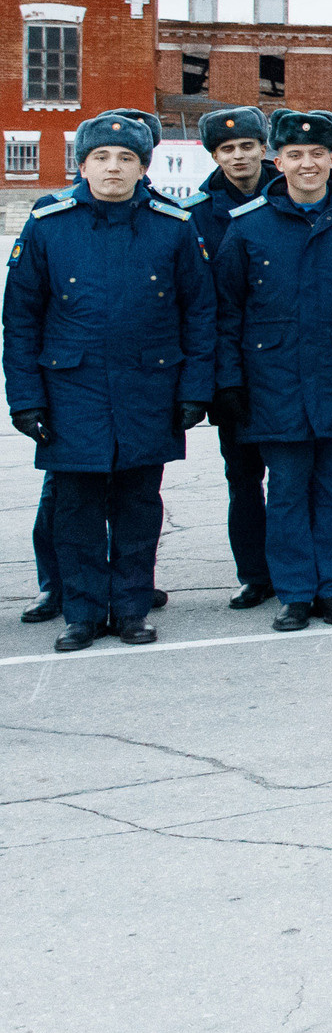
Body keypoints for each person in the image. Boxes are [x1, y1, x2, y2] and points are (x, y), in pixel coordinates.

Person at [4, 114, 213, 650]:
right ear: (83, 165)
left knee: (138, 507)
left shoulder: (173, 225)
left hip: (150, 389)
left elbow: (199, 314)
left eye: (126, 158)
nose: (113, 168)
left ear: (144, 168)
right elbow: (21, 319)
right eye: (102, 157)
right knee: (75, 509)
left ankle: (132, 609)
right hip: (71, 393)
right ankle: (82, 612)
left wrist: (193, 390)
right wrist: (25, 400)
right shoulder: (49, 225)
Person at [212, 110, 332, 631]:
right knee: (288, 490)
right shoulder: (248, 227)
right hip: (272, 383)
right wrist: (228, 381)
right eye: (295, 155)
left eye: (318, 154)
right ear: (278, 161)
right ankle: (295, 592)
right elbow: (226, 311)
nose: (307, 164)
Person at [175, 105, 279, 609]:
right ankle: (255, 575)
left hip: (286, 365)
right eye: (227, 149)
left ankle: (293, 570)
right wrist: (216, 379)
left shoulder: (291, 197)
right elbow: (196, 303)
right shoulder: (195, 215)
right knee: (243, 478)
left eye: (247, 146)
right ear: (213, 154)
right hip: (232, 367)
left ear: (264, 148)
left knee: (292, 477)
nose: (239, 157)